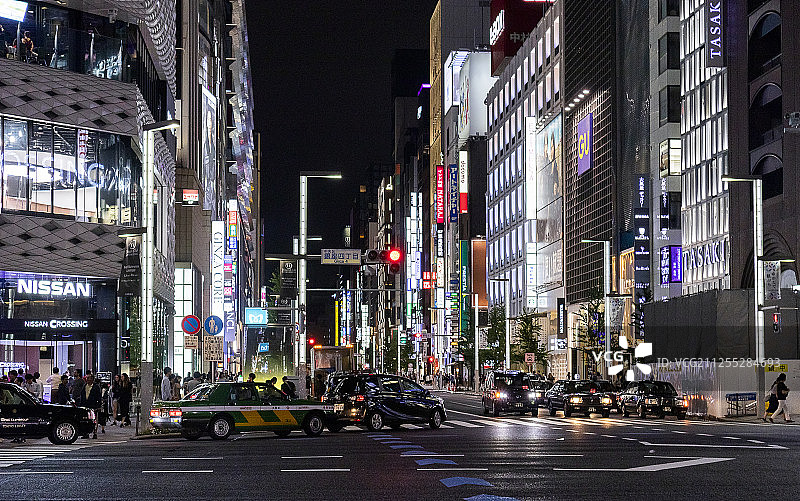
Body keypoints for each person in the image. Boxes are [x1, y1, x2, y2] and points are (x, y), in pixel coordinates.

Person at [75, 374, 102, 439]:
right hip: (85, 405)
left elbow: (99, 397)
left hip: (93, 405)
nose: (87, 380)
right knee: (86, 420)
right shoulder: (85, 386)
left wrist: (98, 406)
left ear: (92, 379)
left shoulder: (96, 387)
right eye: (87, 378)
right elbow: (82, 395)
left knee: (94, 420)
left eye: (89, 378)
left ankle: (94, 432)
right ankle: (86, 433)